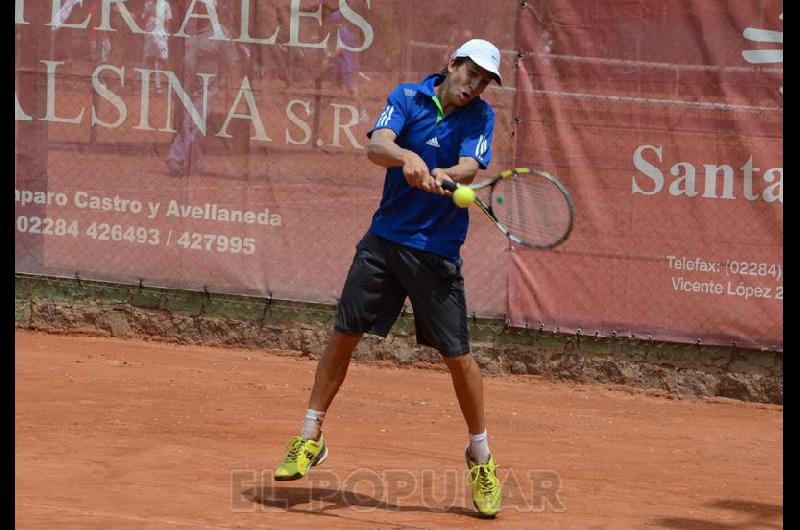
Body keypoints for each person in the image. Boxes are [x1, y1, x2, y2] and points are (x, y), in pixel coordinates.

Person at [273, 38, 504, 517]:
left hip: (436, 253)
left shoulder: (480, 116)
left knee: (458, 358)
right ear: (451, 64)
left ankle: (480, 456)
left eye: (484, 81)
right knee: (343, 335)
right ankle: (309, 435)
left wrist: (443, 171)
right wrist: (406, 158)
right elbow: (378, 145)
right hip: (383, 242)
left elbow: (469, 165)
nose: (475, 86)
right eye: (471, 74)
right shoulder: (405, 97)